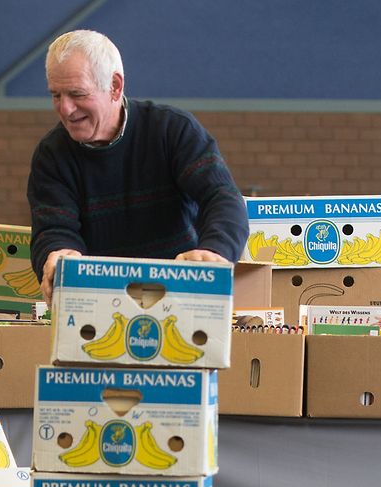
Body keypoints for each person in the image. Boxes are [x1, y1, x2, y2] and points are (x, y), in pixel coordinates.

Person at [27, 29, 249, 299]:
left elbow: (221, 196)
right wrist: (58, 254)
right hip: (99, 300)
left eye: (77, 94)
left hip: (181, 294)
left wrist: (215, 252)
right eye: (56, 95)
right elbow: (53, 229)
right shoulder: (52, 155)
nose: (65, 109)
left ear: (115, 87)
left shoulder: (172, 131)